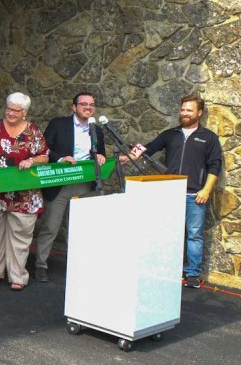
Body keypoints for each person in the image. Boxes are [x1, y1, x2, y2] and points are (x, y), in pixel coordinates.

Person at [120, 94, 222, 288]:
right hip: (169, 193)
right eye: (183, 109)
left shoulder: (208, 137)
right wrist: (127, 157)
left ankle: (192, 274)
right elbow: (149, 148)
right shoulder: (171, 134)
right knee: (166, 232)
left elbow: (215, 165)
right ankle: (166, 268)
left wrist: (206, 190)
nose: (184, 113)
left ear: (199, 113)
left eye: (189, 110)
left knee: (194, 235)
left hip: (194, 195)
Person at [35, 92, 106, 283]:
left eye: (91, 104)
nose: (88, 107)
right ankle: (41, 265)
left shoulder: (96, 130)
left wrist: (100, 157)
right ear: (74, 107)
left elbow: (100, 154)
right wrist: (60, 159)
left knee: (80, 228)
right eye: (83, 104)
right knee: (51, 226)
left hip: (84, 184)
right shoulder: (58, 124)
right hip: (60, 182)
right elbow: (44, 148)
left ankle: (78, 266)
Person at [0, 92, 49, 292]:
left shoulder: (33, 131)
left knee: (20, 238)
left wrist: (31, 161)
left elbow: (45, 156)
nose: (11, 113)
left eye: (16, 110)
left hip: (25, 195)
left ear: (25, 112)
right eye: (8, 108)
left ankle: (18, 276)